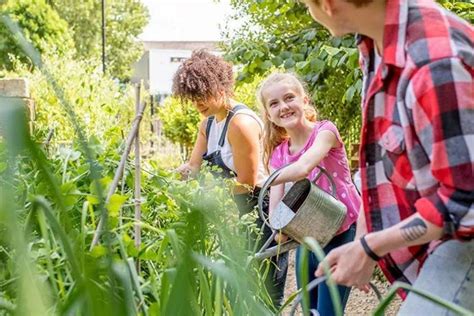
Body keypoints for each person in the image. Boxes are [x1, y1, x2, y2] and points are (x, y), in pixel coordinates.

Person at [298, 0, 474, 314]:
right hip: (444, 233)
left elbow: (466, 201)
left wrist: (370, 247)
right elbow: (375, 161)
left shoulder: (432, 61)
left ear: (327, 4)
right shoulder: (377, 42)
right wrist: (363, 243)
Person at [172, 49, 288, 308]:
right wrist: (174, 179)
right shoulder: (208, 123)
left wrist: (211, 199)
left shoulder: (241, 124)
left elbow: (246, 182)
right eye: (193, 98)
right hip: (233, 209)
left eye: (202, 95)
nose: (198, 103)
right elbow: (194, 166)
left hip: (260, 211)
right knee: (235, 290)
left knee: (264, 292)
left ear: (220, 86)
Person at [257, 72, 361, 315]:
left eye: (289, 98)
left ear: (304, 100)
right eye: (274, 103)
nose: (283, 107)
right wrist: (280, 230)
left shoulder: (325, 132)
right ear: (269, 114)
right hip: (309, 239)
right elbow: (275, 215)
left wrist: (267, 179)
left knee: (328, 312)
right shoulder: (279, 154)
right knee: (309, 311)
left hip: (342, 233)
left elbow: (304, 167)